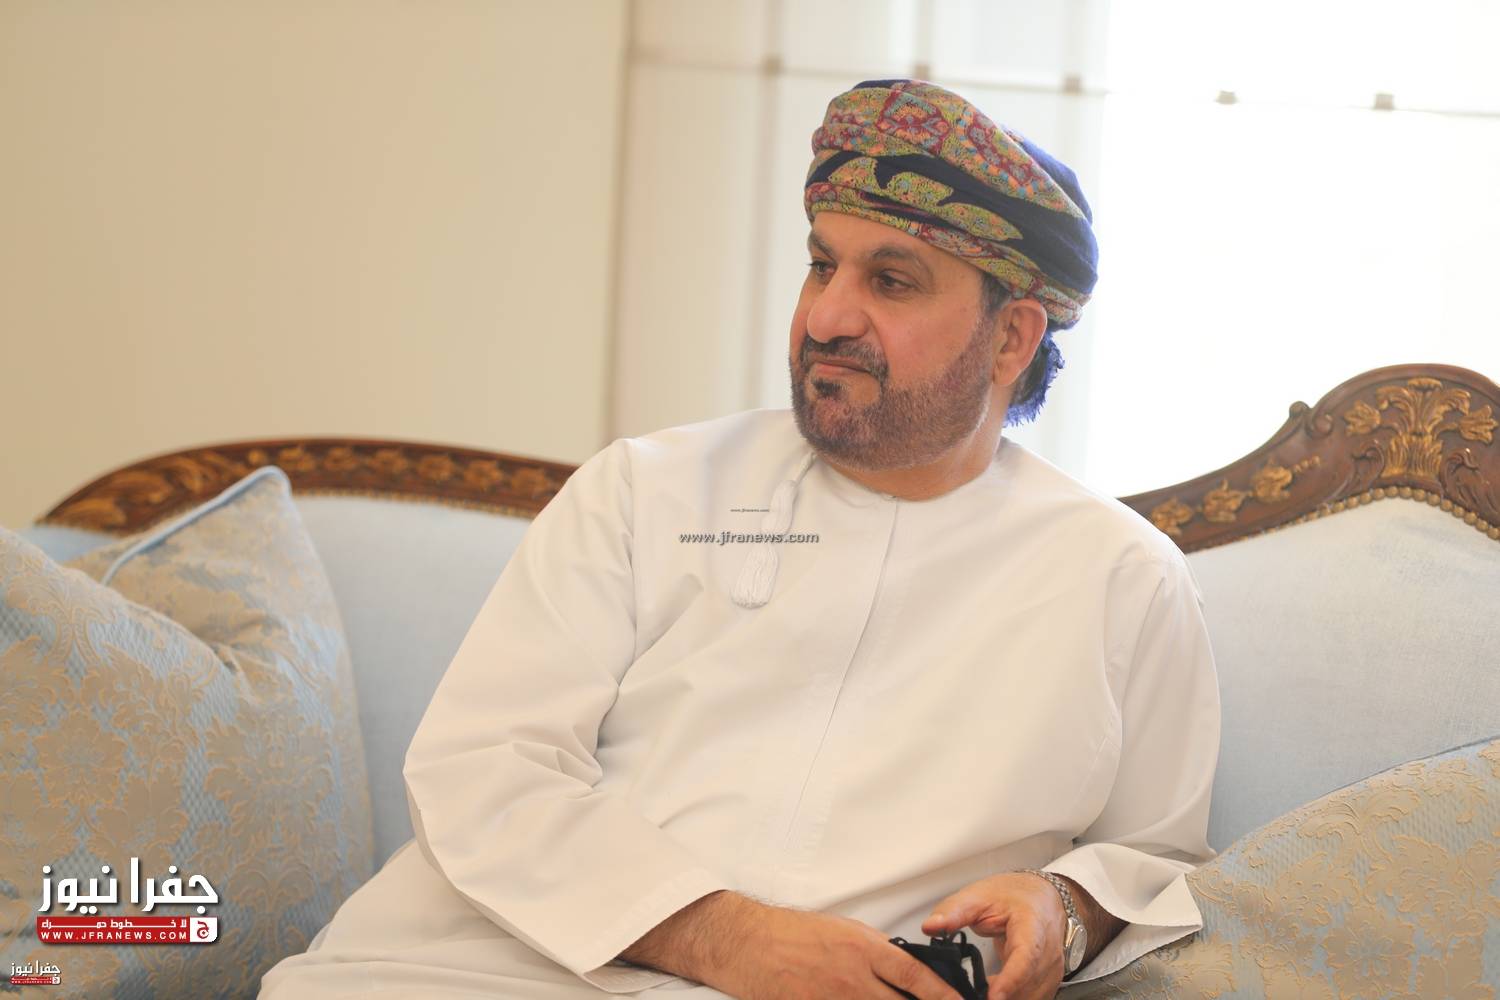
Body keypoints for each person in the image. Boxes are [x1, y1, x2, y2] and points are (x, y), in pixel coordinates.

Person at [260, 78, 1219, 1000]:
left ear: (1011, 339)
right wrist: (731, 940)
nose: (826, 316)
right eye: (821, 265)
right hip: (473, 970)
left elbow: (1155, 855)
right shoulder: (648, 489)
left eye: (891, 280)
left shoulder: (1120, 578)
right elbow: (481, 771)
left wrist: (1065, 908)